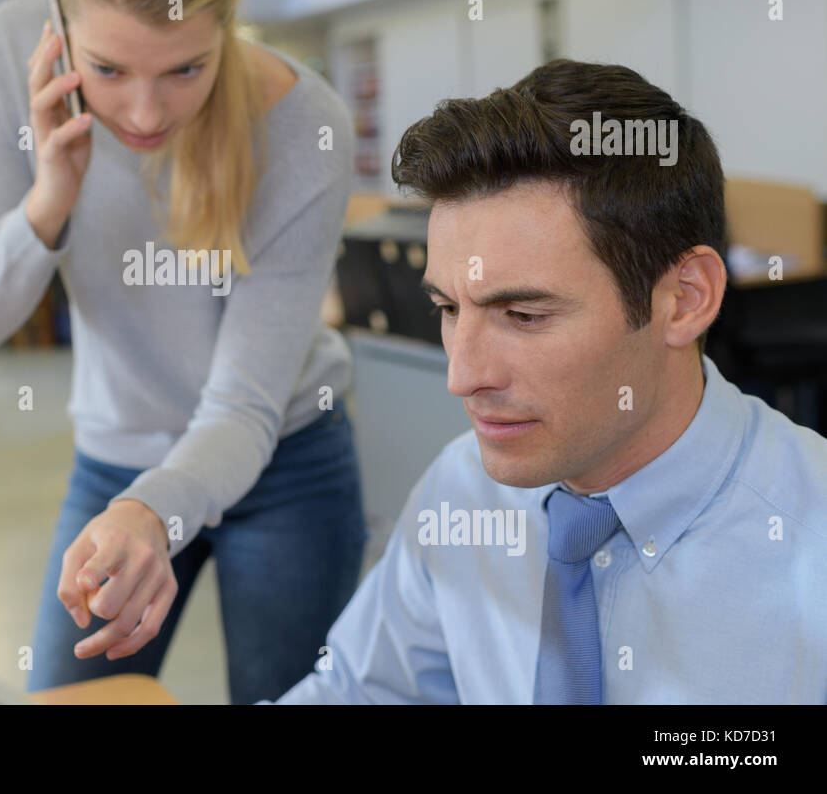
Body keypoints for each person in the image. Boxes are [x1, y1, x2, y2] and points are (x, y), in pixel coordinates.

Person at [0, 0, 364, 703]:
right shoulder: (11, 47)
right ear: (58, 12)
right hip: (115, 456)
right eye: (108, 69)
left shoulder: (303, 129)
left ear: (228, 19)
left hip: (284, 459)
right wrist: (48, 202)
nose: (142, 111)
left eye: (185, 71)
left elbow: (242, 407)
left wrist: (153, 512)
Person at [270, 59, 827, 704]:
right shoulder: (462, 493)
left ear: (684, 299)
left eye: (525, 315)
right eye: (449, 309)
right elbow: (357, 693)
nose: (463, 377)